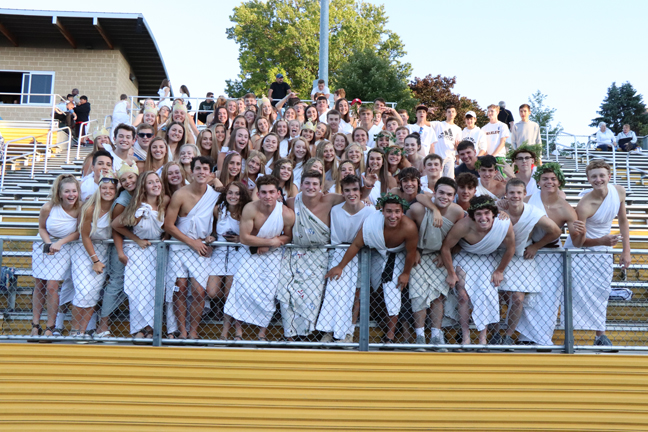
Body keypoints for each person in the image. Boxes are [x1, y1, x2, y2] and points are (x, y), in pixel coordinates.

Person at [325, 193, 418, 344]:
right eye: (389, 211)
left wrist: (405, 273)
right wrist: (340, 266)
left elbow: (410, 253)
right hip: (376, 253)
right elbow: (356, 245)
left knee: (392, 290)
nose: (393, 216)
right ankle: (374, 326)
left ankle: (390, 336)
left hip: (396, 255)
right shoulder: (372, 223)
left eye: (396, 212)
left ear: (402, 212)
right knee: (374, 289)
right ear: (382, 211)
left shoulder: (409, 228)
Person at [516, 163, 586, 346]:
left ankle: (541, 338)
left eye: (553, 179)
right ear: (538, 181)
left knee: (547, 297)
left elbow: (577, 243)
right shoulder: (528, 200)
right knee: (529, 295)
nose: (549, 182)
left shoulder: (566, 209)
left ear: (559, 182)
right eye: (545, 178)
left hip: (551, 255)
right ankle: (525, 338)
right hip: (526, 253)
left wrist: (582, 232)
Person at [565, 160, 631, 346]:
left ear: (609, 176)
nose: (598, 179)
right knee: (575, 292)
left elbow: (623, 221)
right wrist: (600, 241)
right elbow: (578, 241)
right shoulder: (584, 205)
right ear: (588, 179)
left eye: (602, 175)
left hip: (603, 249)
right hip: (581, 251)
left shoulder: (619, 192)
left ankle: (600, 335)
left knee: (601, 291)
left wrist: (626, 250)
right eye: (594, 176)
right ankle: (570, 335)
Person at [224, 175, 295, 340]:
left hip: (273, 257)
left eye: (271, 192)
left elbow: (288, 237)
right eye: (263, 192)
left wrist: (268, 246)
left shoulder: (286, 214)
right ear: (259, 193)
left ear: (278, 194)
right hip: (249, 253)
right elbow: (244, 238)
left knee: (268, 294)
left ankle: (261, 334)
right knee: (240, 290)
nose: (267, 196)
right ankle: (238, 333)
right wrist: (268, 242)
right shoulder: (250, 208)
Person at [492, 178, 561, 347]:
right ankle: (494, 334)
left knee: (517, 298)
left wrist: (536, 246)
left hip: (522, 258)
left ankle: (508, 335)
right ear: (506, 194)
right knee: (494, 296)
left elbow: (556, 231)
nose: (515, 196)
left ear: (524, 194)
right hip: (497, 256)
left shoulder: (533, 212)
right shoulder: (496, 208)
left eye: (518, 193)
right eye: (511, 193)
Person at [440, 195, 515, 347]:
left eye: (487, 213)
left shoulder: (503, 224)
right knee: (462, 295)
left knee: (485, 293)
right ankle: (466, 336)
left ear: (493, 213)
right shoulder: (464, 225)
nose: (483, 218)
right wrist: (451, 273)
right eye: (479, 214)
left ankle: (483, 338)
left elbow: (511, 248)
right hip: (465, 256)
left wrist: (500, 270)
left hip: (487, 258)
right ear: (472, 214)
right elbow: (446, 247)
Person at [163, 156, 220, 339]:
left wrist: (213, 236)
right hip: (180, 246)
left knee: (199, 290)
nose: (201, 172)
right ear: (191, 171)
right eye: (198, 168)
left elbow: (220, 222)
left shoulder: (215, 196)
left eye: (205, 168)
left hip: (201, 248)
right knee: (180, 287)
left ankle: (194, 331)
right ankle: (183, 331)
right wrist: (191, 242)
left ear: (210, 172)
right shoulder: (180, 194)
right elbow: (169, 225)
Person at [316, 174, 377, 343]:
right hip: (337, 255)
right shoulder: (335, 210)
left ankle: (348, 332)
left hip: (360, 257)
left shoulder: (370, 210)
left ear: (361, 191)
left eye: (355, 190)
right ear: (342, 192)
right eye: (347, 190)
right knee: (333, 293)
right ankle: (329, 331)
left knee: (356, 296)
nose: (352, 194)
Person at [407, 177, 464, 348]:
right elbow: (406, 230)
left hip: (440, 259)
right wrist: (414, 250)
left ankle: (436, 336)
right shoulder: (418, 209)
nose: (444, 197)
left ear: (454, 196)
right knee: (418, 296)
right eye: (441, 193)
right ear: (434, 192)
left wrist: (447, 254)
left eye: (449, 194)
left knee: (438, 297)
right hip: (419, 257)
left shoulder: (457, 212)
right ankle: (419, 337)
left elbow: (461, 239)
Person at [112, 171, 168, 339]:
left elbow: (170, 226)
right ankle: (138, 328)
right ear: (143, 186)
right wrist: (136, 239)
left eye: (157, 181)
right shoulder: (137, 206)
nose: (155, 185)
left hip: (157, 251)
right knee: (136, 288)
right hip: (139, 251)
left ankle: (151, 327)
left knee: (154, 289)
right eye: (150, 182)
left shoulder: (165, 202)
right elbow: (116, 225)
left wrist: (166, 237)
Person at [31, 174, 82, 337]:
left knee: (52, 286)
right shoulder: (49, 207)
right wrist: (48, 244)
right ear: (60, 194)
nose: (71, 194)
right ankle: (35, 324)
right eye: (67, 191)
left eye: (74, 191)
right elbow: (41, 228)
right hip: (44, 246)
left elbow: (79, 232)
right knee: (39, 284)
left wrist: (59, 243)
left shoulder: (80, 207)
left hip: (64, 248)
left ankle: (50, 326)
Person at [71, 173, 117, 339]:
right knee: (83, 291)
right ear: (99, 189)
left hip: (103, 250)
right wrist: (95, 260)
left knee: (94, 292)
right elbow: (84, 235)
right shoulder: (90, 207)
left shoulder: (115, 208)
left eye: (111, 188)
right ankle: (76, 330)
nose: (108, 191)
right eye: (104, 188)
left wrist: (99, 259)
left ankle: (83, 330)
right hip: (85, 251)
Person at [95, 163, 139, 338]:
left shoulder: (142, 194)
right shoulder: (121, 202)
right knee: (116, 282)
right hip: (123, 246)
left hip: (139, 247)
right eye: (123, 179)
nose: (128, 182)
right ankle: (103, 323)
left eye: (131, 177)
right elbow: (116, 229)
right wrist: (120, 252)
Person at [206, 181, 252, 340]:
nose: (233, 196)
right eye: (230, 193)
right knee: (212, 292)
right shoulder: (218, 210)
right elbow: (212, 229)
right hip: (218, 254)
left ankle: (230, 332)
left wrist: (241, 238)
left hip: (237, 255)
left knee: (231, 295)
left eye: (237, 193)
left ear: (242, 196)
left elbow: (252, 233)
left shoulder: (246, 212)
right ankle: (229, 322)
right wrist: (211, 236)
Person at [430, 106, 462, 178]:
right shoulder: (438, 124)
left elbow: (458, 146)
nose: (451, 113)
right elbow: (425, 123)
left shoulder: (458, 129)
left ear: (455, 114)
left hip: (450, 157)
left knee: (449, 180)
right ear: (445, 114)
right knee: (437, 178)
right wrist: (427, 111)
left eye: (453, 111)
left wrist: (457, 148)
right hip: (438, 157)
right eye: (449, 111)